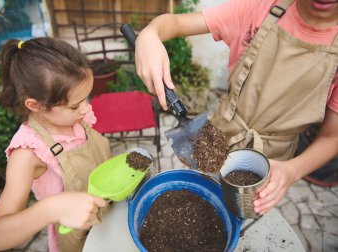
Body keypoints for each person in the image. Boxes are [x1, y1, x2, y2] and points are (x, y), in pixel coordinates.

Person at [134, 0, 338, 215]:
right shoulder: (258, 9)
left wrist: (292, 171)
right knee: (195, 204)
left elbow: (332, 136)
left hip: (272, 161)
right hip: (219, 136)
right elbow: (175, 22)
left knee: (240, 217)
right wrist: (150, 34)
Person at [0, 37, 112, 252]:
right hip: (79, 242)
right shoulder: (28, 152)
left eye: (86, 97)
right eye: (74, 106)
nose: (85, 108)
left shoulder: (76, 117)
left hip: (109, 221)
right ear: (36, 105)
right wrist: (50, 209)